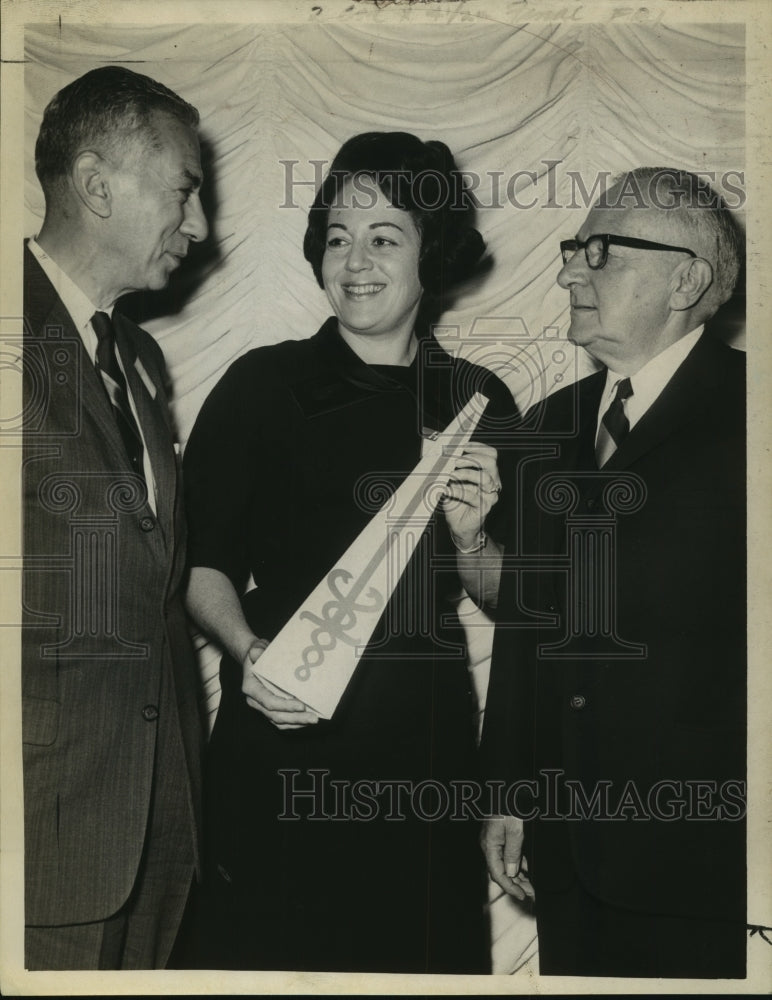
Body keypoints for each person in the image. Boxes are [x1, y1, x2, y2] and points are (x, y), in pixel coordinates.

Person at [182, 131, 519, 973]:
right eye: (338, 238)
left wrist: (473, 536)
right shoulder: (262, 384)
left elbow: (506, 598)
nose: (355, 262)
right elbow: (201, 563)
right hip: (281, 736)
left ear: (430, 255)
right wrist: (247, 651)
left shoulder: (479, 401)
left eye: (383, 238)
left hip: (422, 748)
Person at [480, 167, 746, 978]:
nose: (569, 274)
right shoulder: (547, 427)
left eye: (600, 253)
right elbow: (526, 626)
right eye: (573, 252)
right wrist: (507, 789)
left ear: (686, 282)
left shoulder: (757, 415)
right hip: (566, 853)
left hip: (711, 860)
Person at [22, 65, 208, 970]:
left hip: (159, 820)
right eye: (183, 191)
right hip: (42, 818)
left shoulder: (136, 356)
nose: (199, 225)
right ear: (97, 185)